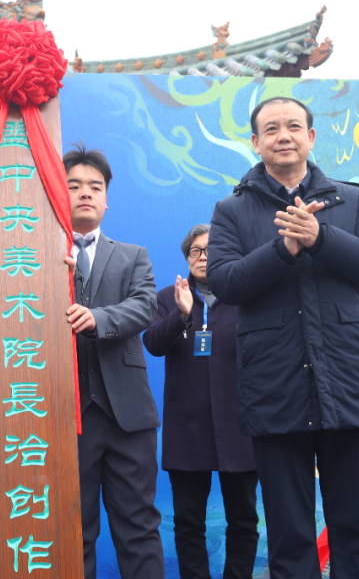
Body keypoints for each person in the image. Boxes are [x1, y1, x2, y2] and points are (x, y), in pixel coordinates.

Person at [207, 97, 359, 579]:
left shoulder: (351, 200)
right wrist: (284, 248)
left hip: (347, 383)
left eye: (293, 126)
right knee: (289, 536)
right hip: (275, 387)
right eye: (271, 129)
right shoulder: (232, 210)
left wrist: (320, 237)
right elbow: (224, 282)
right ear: (256, 143)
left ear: (311, 137)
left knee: (357, 531)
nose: (283, 136)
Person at [62, 142, 164, 579]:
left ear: (107, 199)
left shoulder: (132, 255)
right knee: (74, 530)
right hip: (64, 416)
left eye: (95, 186)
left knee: (138, 527)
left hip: (127, 415)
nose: (85, 193)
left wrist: (97, 318)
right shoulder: (31, 257)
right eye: (73, 185)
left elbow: (144, 307)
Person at [143, 224, 258, 579]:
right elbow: (153, 344)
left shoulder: (245, 297)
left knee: (243, 519)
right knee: (188, 522)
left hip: (239, 426)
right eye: (196, 251)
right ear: (187, 258)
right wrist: (181, 315)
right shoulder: (169, 297)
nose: (203, 257)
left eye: (211, 250)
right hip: (187, 428)